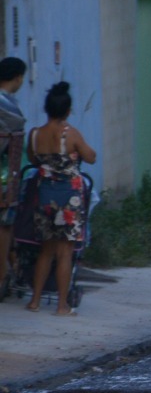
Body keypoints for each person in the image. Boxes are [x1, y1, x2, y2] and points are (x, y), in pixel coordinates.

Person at [24, 81, 96, 316]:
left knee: (45, 250)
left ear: (47, 108)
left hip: (45, 196)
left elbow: (33, 161)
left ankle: (34, 300)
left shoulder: (35, 134)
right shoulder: (70, 133)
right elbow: (90, 156)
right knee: (65, 252)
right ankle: (62, 305)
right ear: (67, 110)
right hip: (69, 199)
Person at [0, 57, 27, 291]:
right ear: (18, 77)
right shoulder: (10, 107)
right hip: (5, 175)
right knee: (4, 226)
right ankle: (1, 278)